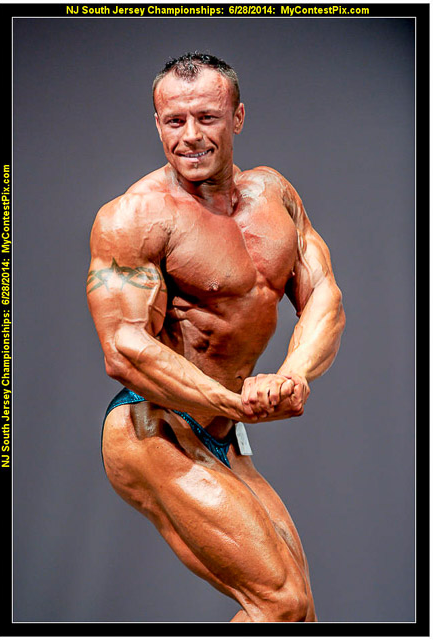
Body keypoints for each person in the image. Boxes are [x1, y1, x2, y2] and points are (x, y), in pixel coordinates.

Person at [87, 52, 345, 623]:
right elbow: (125, 349)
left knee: (298, 615)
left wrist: (293, 374)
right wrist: (234, 402)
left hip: (222, 432)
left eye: (206, 117)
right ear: (157, 123)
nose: (190, 136)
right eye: (174, 121)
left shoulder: (274, 194)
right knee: (279, 603)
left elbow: (324, 296)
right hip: (154, 426)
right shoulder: (135, 217)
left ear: (238, 117)